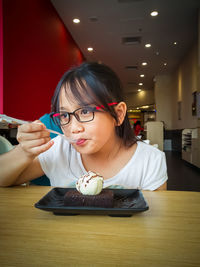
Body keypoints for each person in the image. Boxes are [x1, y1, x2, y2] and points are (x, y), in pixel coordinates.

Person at [0, 62, 167, 190]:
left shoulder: (149, 160)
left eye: (86, 111)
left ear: (118, 114)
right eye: (65, 115)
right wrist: (24, 151)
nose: (74, 129)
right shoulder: (59, 150)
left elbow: (153, 222)